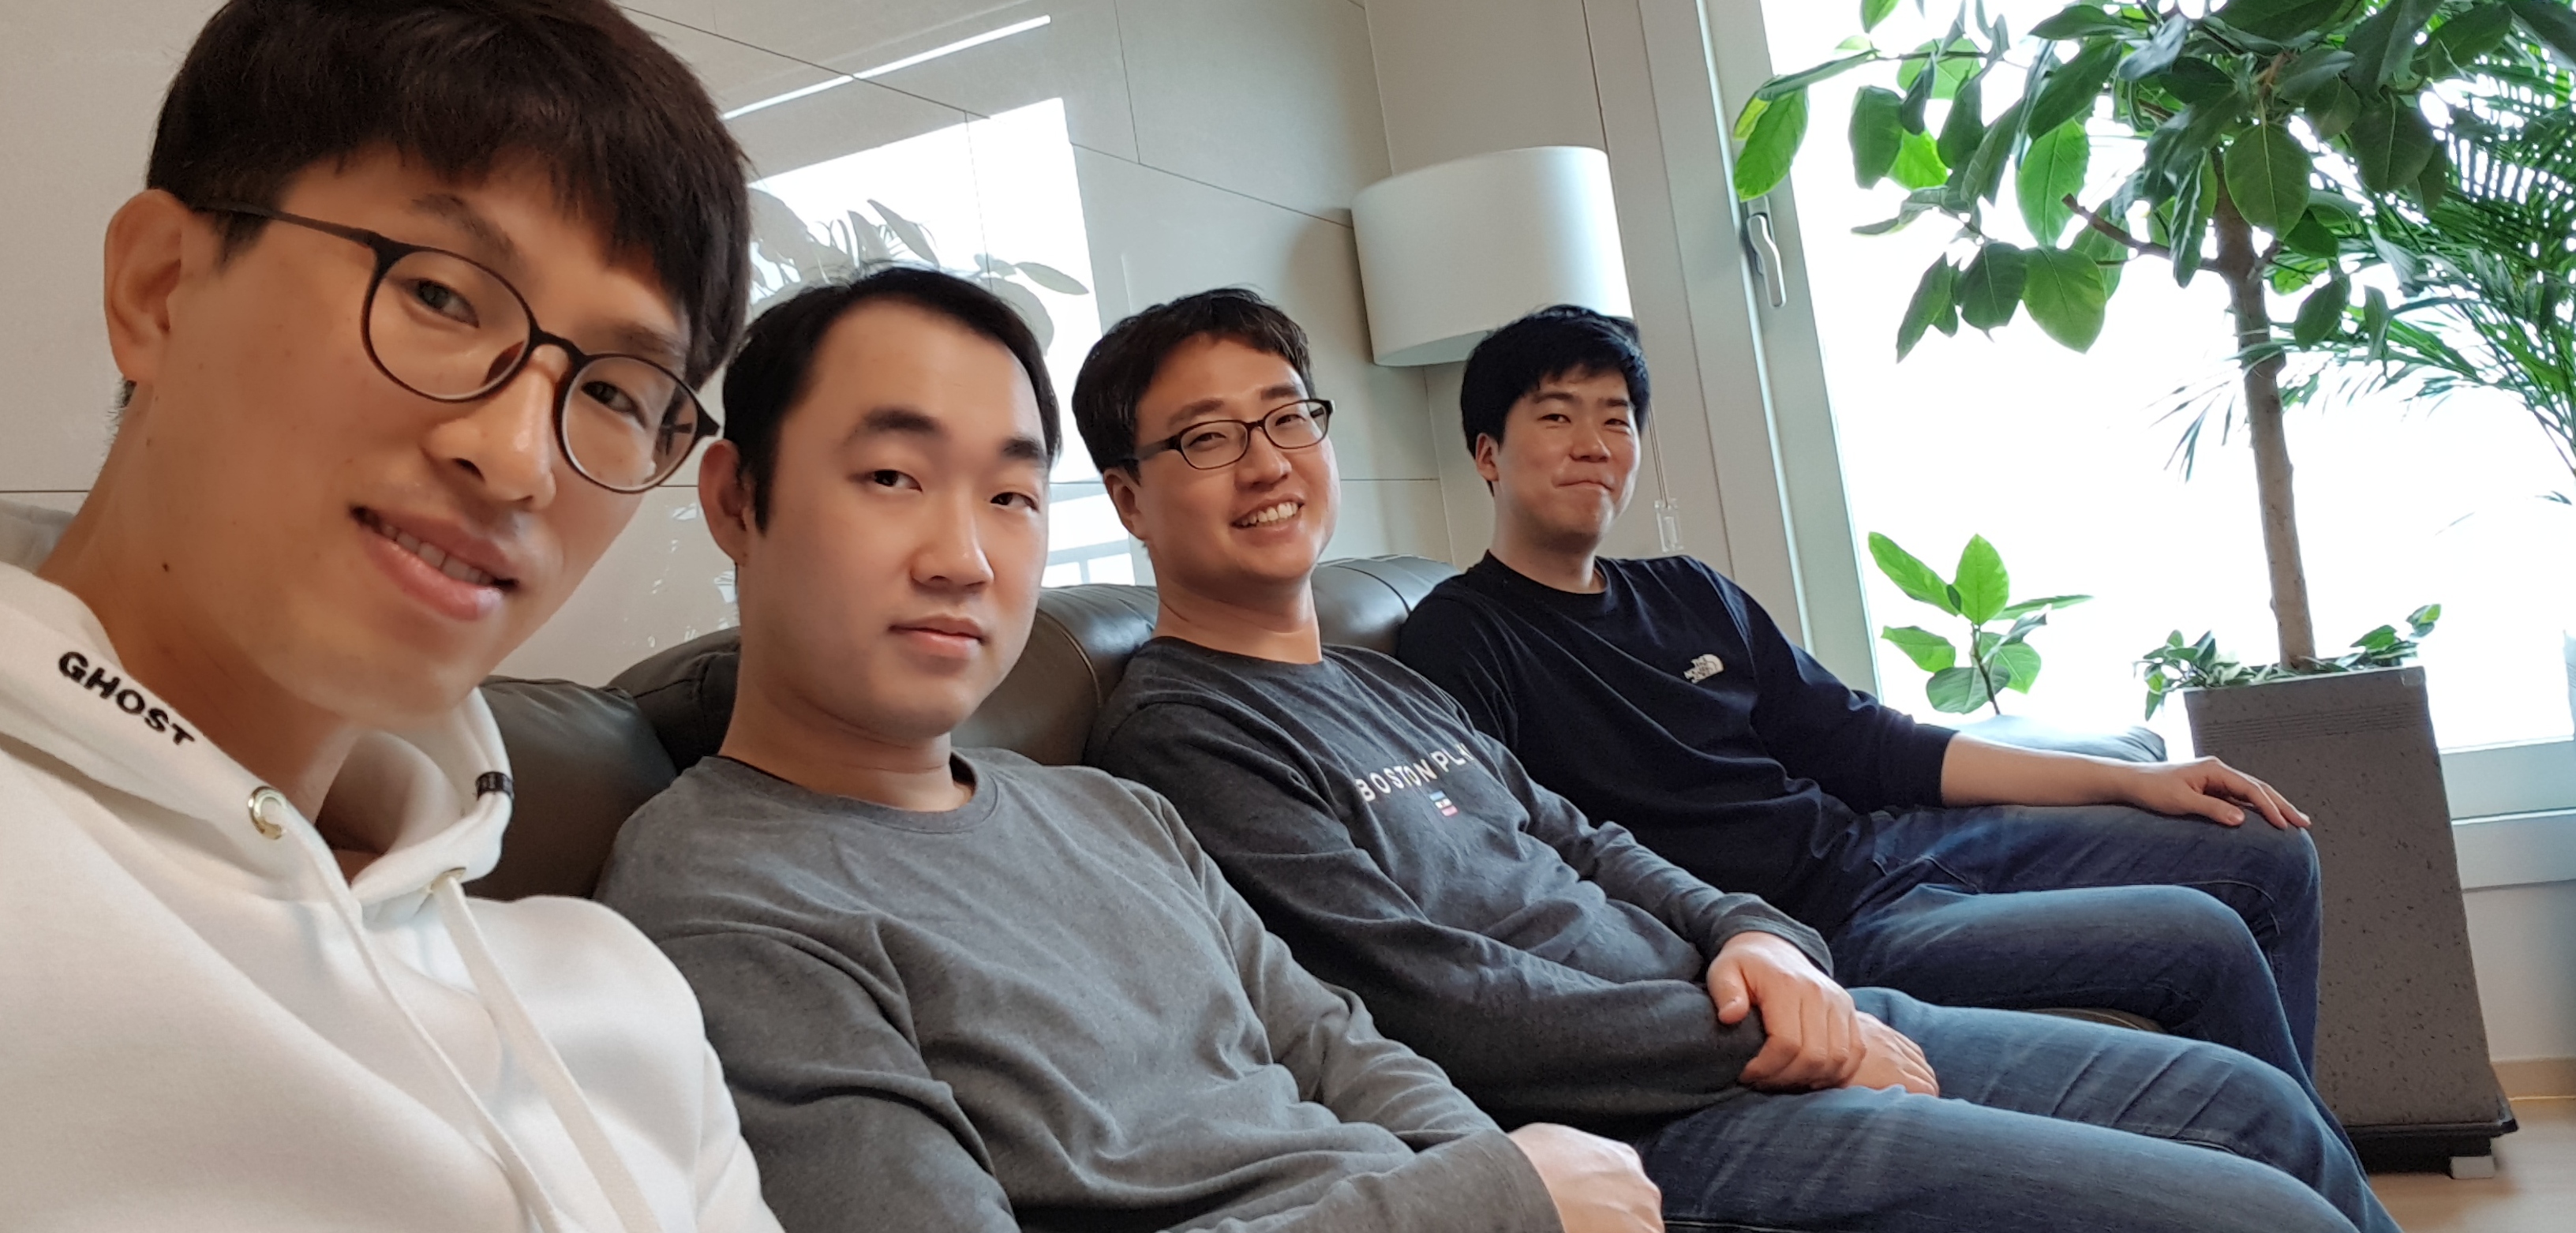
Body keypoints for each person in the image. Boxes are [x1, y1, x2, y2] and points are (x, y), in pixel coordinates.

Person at [1076, 288, 2398, 1233]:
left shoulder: (1380, 680)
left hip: (1763, 1003)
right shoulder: (1186, 732)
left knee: (2261, 1113)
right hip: (1668, 1110)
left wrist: (1755, 937)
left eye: (1287, 417)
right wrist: (1775, 1024)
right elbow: (1436, 1001)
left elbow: (1586, 842)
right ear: (1129, 494)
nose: (1266, 461)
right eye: (1206, 437)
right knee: (2255, 1208)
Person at [597, 269, 1661, 1233]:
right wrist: (1495, 1199)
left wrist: (1514, 1183)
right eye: (891, 476)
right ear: (736, 499)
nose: (964, 560)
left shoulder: (1115, 812)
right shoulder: (724, 897)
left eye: (1010, 497)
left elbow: (1336, 1045)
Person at [0, 0, 777, 1231]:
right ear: (162, 289)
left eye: (613, 391)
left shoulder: (620, 1002)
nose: (517, 458)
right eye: (441, 295)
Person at [1391, 305, 2327, 1086]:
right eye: (1557, 418)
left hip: (1890, 847)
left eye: (1617, 420)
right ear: (1488, 453)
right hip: (1820, 928)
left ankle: (2296, 1172)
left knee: (2267, 851)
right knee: (2201, 939)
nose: (1595, 446)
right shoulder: (1460, 636)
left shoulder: (1687, 588)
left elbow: (1867, 742)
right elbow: (1507, 860)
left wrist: (2131, 781)